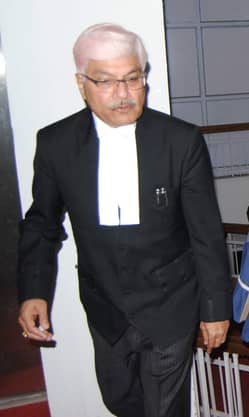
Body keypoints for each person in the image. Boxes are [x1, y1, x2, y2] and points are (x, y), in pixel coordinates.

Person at [17, 23, 231, 417]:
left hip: (170, 303)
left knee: (165, 409)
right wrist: (34, 291)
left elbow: (205, 233)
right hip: (105, 306)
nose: (124, 93)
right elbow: (42, 224)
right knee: (119, 401)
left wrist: (215, 308)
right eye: (107, 81)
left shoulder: (180, 140)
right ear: (81, 84)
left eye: (133, 78)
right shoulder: (56, 143)